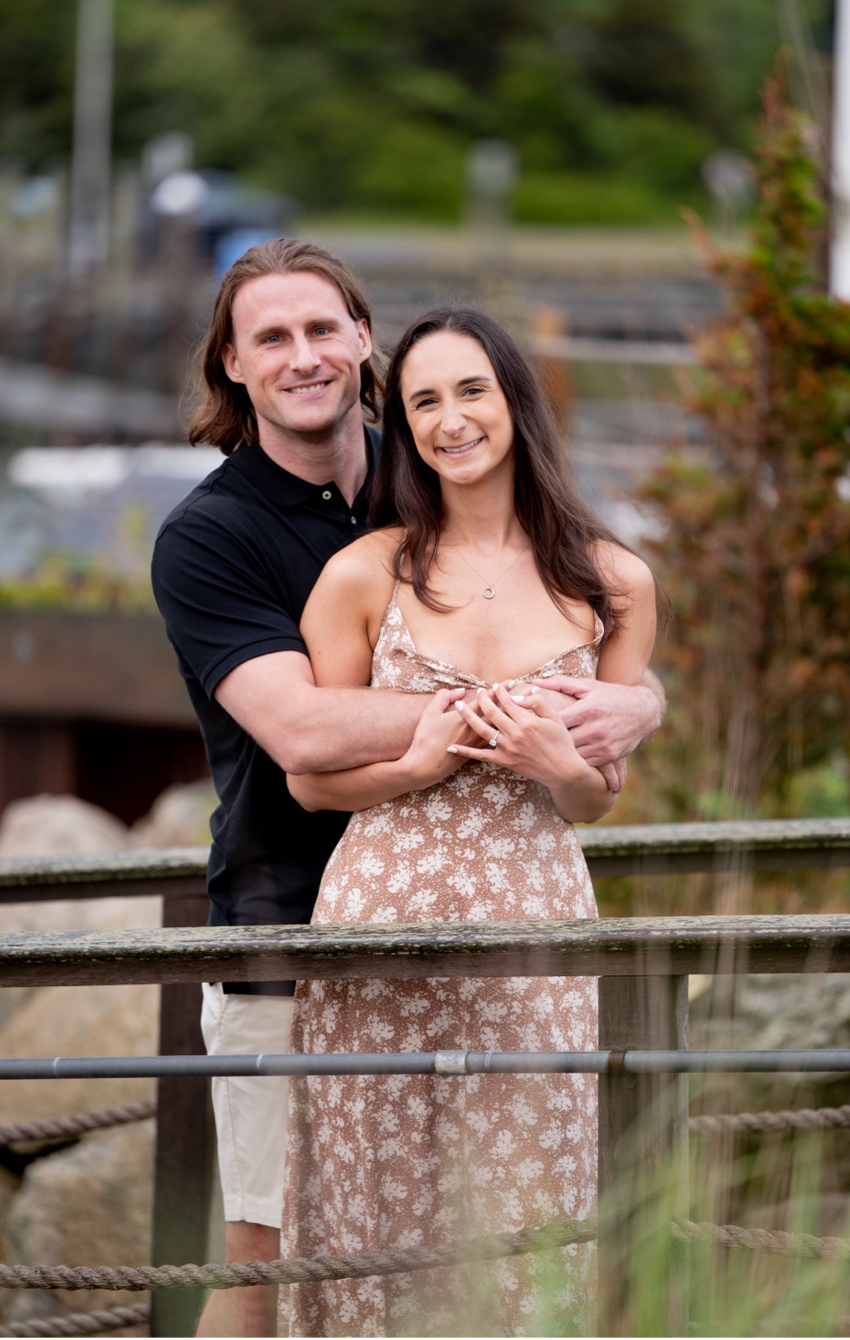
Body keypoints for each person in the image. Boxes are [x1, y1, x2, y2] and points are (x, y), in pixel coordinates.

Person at [150, 240, 663, 1337]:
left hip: (517, 914)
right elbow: (298, 727)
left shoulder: (422, 465)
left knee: (512, 1225)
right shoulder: (211, 533)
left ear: (362, 341)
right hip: (289, 922)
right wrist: (526, 710)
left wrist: (631, 703)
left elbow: (580, 619)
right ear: (231, 365)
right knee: (279, 1247)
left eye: (322, 328)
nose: (302, 355)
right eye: (270, 337)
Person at [277, 305, 655, 1333]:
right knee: (376, 1197)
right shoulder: (366, 574)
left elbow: (595, 800)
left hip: (535, 914)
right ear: (404, 425)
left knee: (527, 1194)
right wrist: (415, 763)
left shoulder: (614, 580)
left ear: (514, 400)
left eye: (471, 390)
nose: (452, 419)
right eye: (424, 400)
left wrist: (556, 763)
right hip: (378, 904)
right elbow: (312, 783)